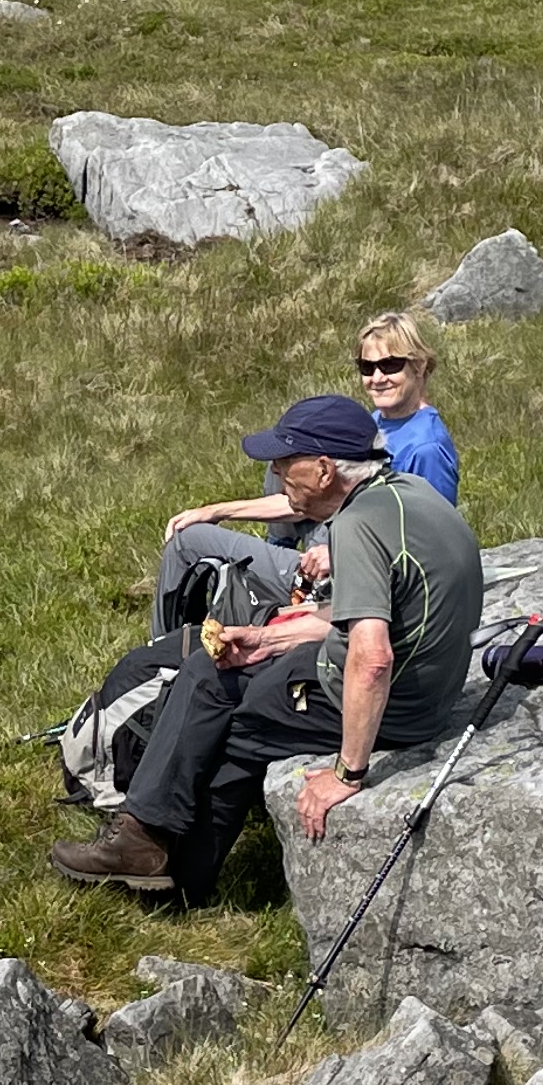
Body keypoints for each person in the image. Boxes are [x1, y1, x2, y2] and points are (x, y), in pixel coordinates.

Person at [54, 395, 485, 900]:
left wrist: (347, 774)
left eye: (285, 466)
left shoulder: (356, 527)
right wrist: (266, 638)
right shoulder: (402, 493)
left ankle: (164, 865)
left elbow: (372, 660)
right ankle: (152, 848)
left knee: (229, 717)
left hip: (393, 706)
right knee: (213, 679)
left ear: (324, 471)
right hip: (423, 689)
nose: (279, 479)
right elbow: (367, 616)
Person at [154, 314, 460, 617]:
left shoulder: (426, 447)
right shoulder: (381, 419)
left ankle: (173, 649)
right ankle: (279, 561)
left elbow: (431, 539)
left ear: (419, 366)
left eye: (390, 365)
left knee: (189, 542)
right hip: (340, 539)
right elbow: (321, 491)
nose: (377, 378)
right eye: (367, 367)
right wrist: (217, 511)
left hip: (353, 566)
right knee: (288, 460)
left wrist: (339, 556)